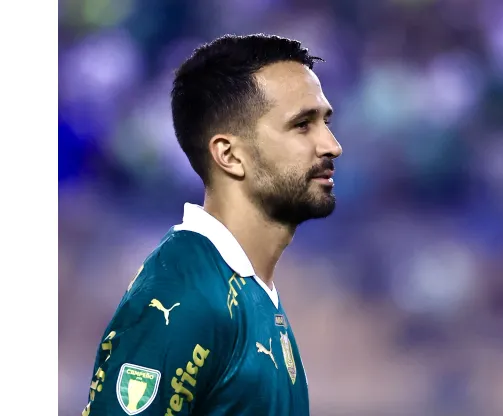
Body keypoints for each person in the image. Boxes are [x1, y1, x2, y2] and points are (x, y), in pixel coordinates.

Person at [82, 33, 342, 416]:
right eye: (303, 125)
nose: (331, 145)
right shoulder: (185, 297)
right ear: (229, 155)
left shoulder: (249, 290)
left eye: (325, 121)